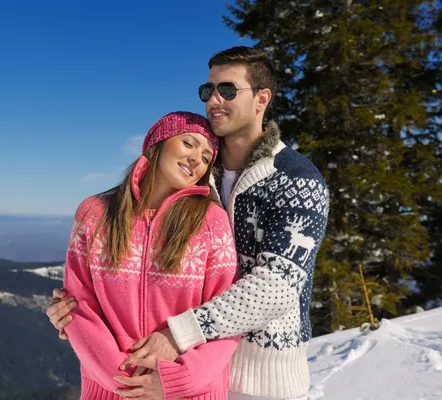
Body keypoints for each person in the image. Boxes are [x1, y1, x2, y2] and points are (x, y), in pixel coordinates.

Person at [48, 46, 330, 400]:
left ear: (262, 99)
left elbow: (275, 288)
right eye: (207, 90)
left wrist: (180, 336)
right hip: (188, 375)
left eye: (227, 89)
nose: (214, 100)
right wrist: (75, 319)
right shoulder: (198, 177)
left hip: (259, 379)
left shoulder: (295, 179)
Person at [60, 111, 241, 400]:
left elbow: (228, 318)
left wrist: (176, 380)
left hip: (189, 393)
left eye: (207, 157)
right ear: (158, 144)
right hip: (109, 390)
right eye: (188, 143)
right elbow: (78, 306)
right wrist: (122, 379)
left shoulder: (211, 222)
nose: (197, 159)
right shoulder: (94, 213)